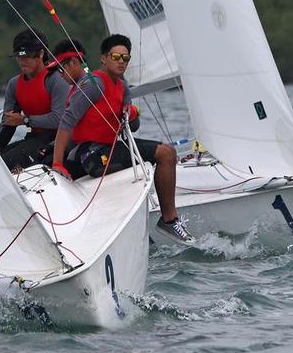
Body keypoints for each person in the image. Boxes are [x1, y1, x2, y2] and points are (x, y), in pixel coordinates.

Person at [51, 34, 195, 244]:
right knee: (165, 153)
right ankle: (169, 220)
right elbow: (66, 123)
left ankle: (145, 228)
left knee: (168, 153)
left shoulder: (123, 87)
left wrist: (133, 113)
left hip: (110, 149)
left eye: (125, 58)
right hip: (90, 153)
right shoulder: (93, 84)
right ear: (104, 59)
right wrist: (57, 164)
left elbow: (133, 127)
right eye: (116, 56)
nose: (121, 61)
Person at [0, 28, 69, 170]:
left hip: (60, 140)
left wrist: (25, 120)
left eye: (27, 57)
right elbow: (8, 123)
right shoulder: (14, 84)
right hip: (35, 139)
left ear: (41, 54)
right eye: (19, 57)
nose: (22, 61)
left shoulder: (56, 79)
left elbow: (60, 119)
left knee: (6, 163)